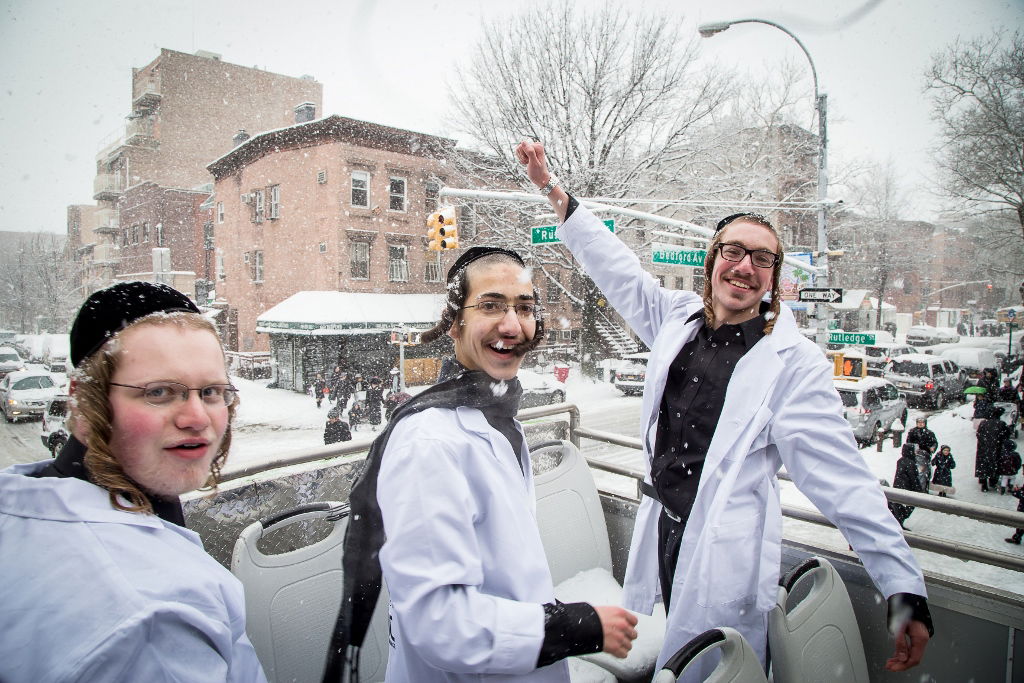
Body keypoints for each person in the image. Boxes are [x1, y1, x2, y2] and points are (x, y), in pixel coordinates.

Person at [516, 140, 931, 677]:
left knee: (713, 668)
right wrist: (554, 191)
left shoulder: (793, 365)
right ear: (712, 262)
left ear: (774, 280)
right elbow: (617, 268)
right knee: (665, 652)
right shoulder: (679, 319)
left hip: (721, 548)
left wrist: (904, 589)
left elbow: (845, 482)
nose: (745, 266)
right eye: (733, 251)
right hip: (660, 526)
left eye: (763, 258)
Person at [325, 247, 637, 682]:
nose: (512, 324)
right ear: (455, 321)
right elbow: (439, 623)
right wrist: (572, 627)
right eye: (490, 305)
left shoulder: (496, 416)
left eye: (524, 308)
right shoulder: (430, 443)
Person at [0, 281, 265, 682]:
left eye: (211, 391)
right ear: (84, 401)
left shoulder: (27, 504)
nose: (196, 416)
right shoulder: (150, 619)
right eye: (159, 392)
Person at [889, 444, 926, 529]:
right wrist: (919, 489)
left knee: (899, 506)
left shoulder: (900, 460)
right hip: (907, 487)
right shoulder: (910, 462)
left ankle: (898, 522)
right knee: (909, 506)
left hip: (898, 486)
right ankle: (899, 523)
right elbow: (913, 477)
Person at [976, 406, 1009, 492]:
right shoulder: (1001, 424)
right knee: (994, 464)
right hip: (996, 448)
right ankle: (992, 481)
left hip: (983, 448)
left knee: (983, 465)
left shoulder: (983, 423)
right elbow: (1006, 436)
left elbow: (978, 435)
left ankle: (983, 484)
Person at [906, 417, 937, 492]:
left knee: (924, 473)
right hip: (914, 456)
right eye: (919, 422)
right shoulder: (912, 432)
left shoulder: (930, 433)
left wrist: (932, 448)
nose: (920, 424)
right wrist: (912, 450)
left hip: (925, 456)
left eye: (922, 422)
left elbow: (934, 443)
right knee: (913, 472)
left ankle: (923, 488)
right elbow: (908, 443)